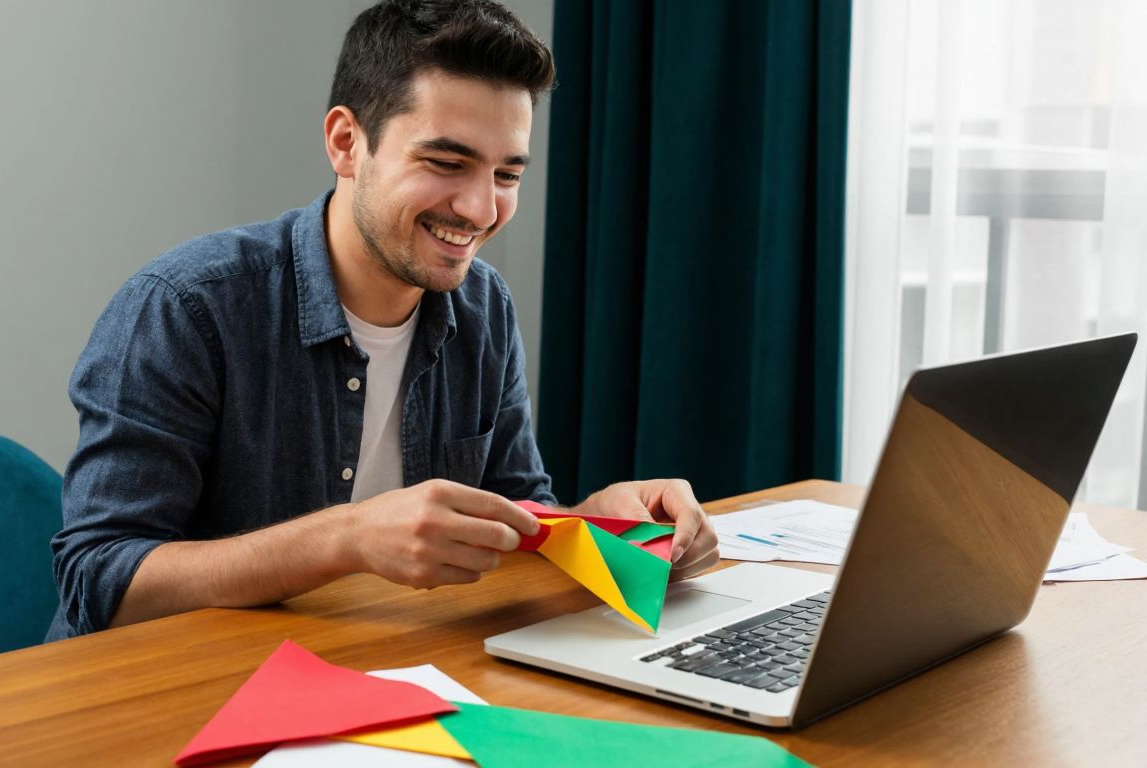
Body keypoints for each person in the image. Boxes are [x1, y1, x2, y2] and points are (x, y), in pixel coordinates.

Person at [47, 0, 719, 641]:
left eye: (507, 175)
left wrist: (589, 524)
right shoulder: (186, 308)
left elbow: (516, 511)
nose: (482, 209)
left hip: (369, 682)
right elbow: (100, 581)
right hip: (165, 696)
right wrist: (347, 538)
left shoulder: (484, 308)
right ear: (347, 142)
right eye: (447, 163)